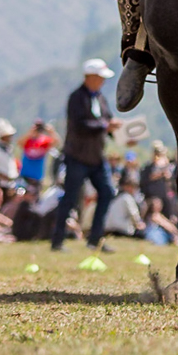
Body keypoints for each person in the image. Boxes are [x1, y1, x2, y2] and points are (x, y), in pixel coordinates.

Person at [51, 59, 120, 254]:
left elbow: (106, 122)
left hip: (97, 158)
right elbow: (81, 125)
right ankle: (57, 240)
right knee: (70, 198)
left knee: (107, 192)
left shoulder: (100, 99)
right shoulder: (76, 98)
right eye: (100, 78)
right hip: (77, 157)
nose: (103, 82)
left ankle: (95, 239)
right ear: (90, 77)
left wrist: (119, 134)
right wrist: (105, 126)